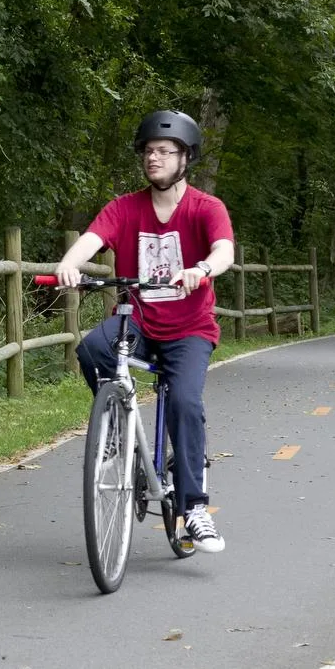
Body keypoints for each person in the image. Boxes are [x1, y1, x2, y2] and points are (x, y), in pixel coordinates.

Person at [54, 109, 235, 552]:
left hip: (189, 328)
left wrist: (203, 268)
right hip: (135, 320)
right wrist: (69, 264)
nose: (154, 159)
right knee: (92, 350)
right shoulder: (125, 207)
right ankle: (116, 424)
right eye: (149, 151)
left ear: (185, 158)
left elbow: (224, 249)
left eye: (164, 152)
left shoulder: (205, 208)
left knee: (186, 404)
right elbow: (92, 239)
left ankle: (194, 508)